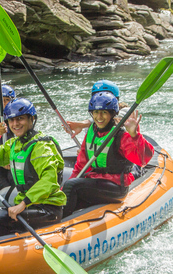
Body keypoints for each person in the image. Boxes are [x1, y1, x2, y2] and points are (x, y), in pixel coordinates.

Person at [0, 98, 66, 241]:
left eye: (20, 119)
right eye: (11, 120)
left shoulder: (42, 146)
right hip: (25, 206)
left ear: (32, 119)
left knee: (0, 218)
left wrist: (23, 204)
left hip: (47, 209)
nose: (15, 124)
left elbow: (49, 181)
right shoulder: (14, 144)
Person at [62, 90, 154, 218]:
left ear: (112, 114)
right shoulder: (91, 132)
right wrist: (63, 193)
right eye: (96, 112)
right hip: (95, 182)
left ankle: (58, 221)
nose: (99, 117)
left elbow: (142, 159)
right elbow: (81, 166)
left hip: (116, 187)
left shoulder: (120, 136)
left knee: (72, 186)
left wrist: (135, 135)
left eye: (104, 112)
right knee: (70, 189)